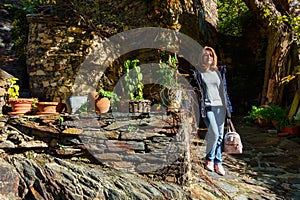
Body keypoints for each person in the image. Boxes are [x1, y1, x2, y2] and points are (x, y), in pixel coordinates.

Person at [191, 46, 232, 175]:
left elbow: (224, 90)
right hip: (207, 106)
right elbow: (192, 89)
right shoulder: (198, 73)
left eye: (211, 55)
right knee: (214, 133)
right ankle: (209, 159)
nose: (209, 57)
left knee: (220, 136)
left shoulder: (219, 72)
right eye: (206, 55)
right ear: (202, 58)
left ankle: (218, 162)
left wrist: (228, 108)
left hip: (220, 107)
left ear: (214, 58)